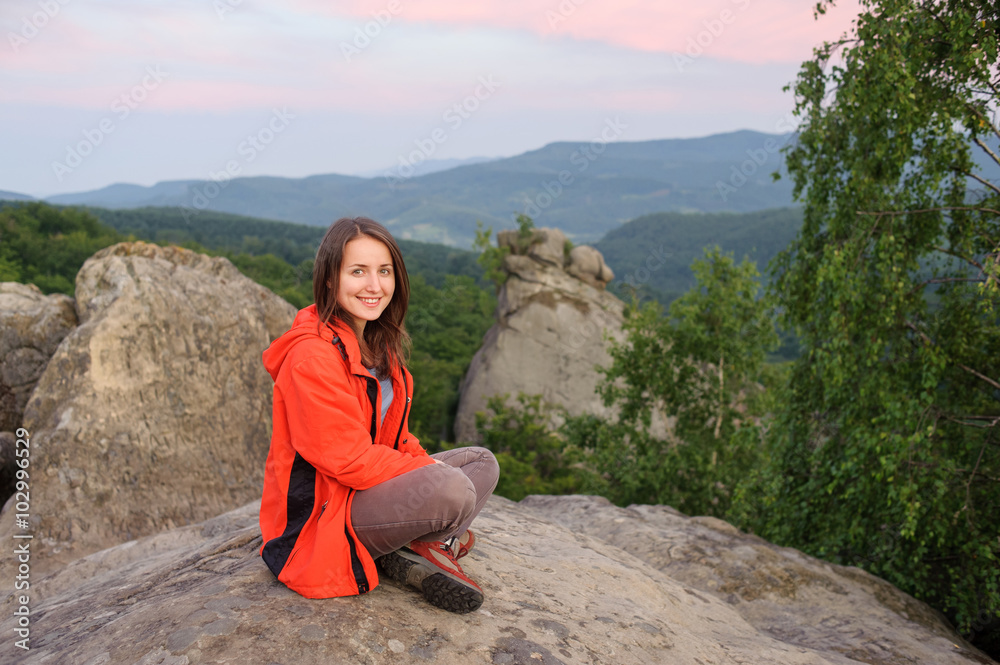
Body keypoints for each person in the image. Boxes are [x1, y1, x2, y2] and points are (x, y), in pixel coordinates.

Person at [258, 216, 499, 614]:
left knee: (481, 463)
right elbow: (347, 459)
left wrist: (422, 464)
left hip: (367, 491)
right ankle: (423, 544)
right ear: (330, 279)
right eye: (358, 271)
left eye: (384, 271)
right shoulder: (311, 357)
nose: (374, 285)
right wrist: (426, 472)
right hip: (326, 515)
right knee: (452, 490)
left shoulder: (375, 344)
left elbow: (395, 437)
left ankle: (414, 546)